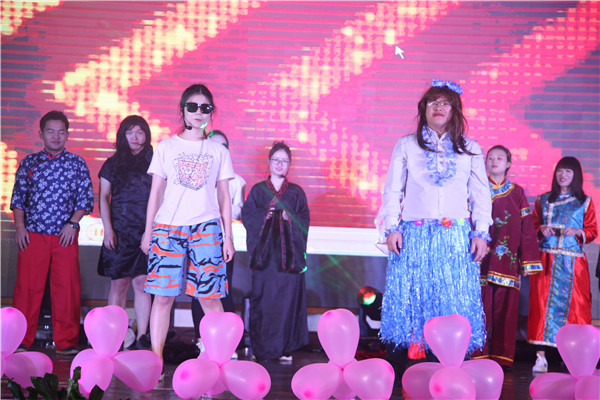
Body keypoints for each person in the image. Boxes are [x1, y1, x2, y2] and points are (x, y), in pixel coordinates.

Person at [379, 79, 492, 367]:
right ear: (423, 109)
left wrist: (481, 232)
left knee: (451, 301)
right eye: (432, 102)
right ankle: (410, 367)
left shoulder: (470, 148)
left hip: (455, 238)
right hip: (414, 236)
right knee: (412, 302)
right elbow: (392, 190)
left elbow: (481, 195)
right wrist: (391, 227)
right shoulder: (407, 145)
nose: (438, 107)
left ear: (455, 110)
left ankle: (450, 364)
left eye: (445, 103)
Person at [140, 84, 235, 363]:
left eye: (205, 108)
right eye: (192, 106)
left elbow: (224, 197)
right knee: (163, 297)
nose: (198, 112)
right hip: (167, 228)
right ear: (182, 109)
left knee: (209, 296)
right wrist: (148, 232)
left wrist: (228, 237)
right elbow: (155, 193)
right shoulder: (166, 147)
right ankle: (156, 360)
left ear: (211, 112)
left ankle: (219, 359)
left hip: (206, 227)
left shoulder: (218, 151)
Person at [10, 110, 94, 354]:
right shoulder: (29, 163)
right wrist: (19, 227)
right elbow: (18, 199)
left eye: (61, 132)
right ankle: (21, 339)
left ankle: (66, 342)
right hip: (33, 234)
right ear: (41, 134)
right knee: (27, 288)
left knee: (67, 288)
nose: (56, 136)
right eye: (51, 131)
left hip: (65, 235)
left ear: (67, 134)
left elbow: (85, 199)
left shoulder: (77, 163)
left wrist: (73, 223)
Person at [470, 145, 542, 369]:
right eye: (490, 157)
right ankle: (477, 355)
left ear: (508, 164)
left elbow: (527, 228)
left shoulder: (517, 192)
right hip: (478, 259)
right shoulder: (475, 189)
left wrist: (528, 259)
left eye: (500, 158)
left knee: (506, 312)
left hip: (507, 262)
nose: (494, 161)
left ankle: (502, 359)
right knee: (479, 310)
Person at [527, 156, 597, 373]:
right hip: (546, 260)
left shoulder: (585, 202)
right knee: (541, 306)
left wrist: (578, 231)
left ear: (576, 175)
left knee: (576, 308)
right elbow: (532, 226)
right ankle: (540, 356)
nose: (563, 175)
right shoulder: (543, 200)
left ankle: (571, 354)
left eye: (568, 171)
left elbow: (592, 231)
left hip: (572, 263)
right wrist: (541, 229)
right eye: (559, 171)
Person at [242, 141, 310, 361]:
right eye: (276, 160)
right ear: (269, 161)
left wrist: (289, 217)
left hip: (289, 260)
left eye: (284, 161)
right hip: (265, 259)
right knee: (264, 302)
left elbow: (304, 220)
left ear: (289, 164)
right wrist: (266, 215)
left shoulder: (296, 192)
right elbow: (248, 216)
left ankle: (285, 348)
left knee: (287, 303)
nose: (280, 164)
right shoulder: (258, 191)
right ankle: (261, 348)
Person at [97, 115, 153, 349]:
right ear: (122, 135)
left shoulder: (155, 160)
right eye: (129, 132)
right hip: (119, 231)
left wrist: (152, 231)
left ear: (146, 135)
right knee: (118, 284)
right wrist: (108, 229)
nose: (134, 137)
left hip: (146, 232)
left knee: (142, 284)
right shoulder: (112, 163)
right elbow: (103, 197)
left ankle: (142, 337)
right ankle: (114, 337)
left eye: (139, 131)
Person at [191, 130, 246, 355]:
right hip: (197, 241)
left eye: (223, 146)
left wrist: (222, 207)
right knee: (198, 292)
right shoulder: (195, 178)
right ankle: (201, 339)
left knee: (223, 291)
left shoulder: (237, 181)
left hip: (223, 241)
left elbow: (239, 211)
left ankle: (226, 343)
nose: (218, 150)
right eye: (214, 145)